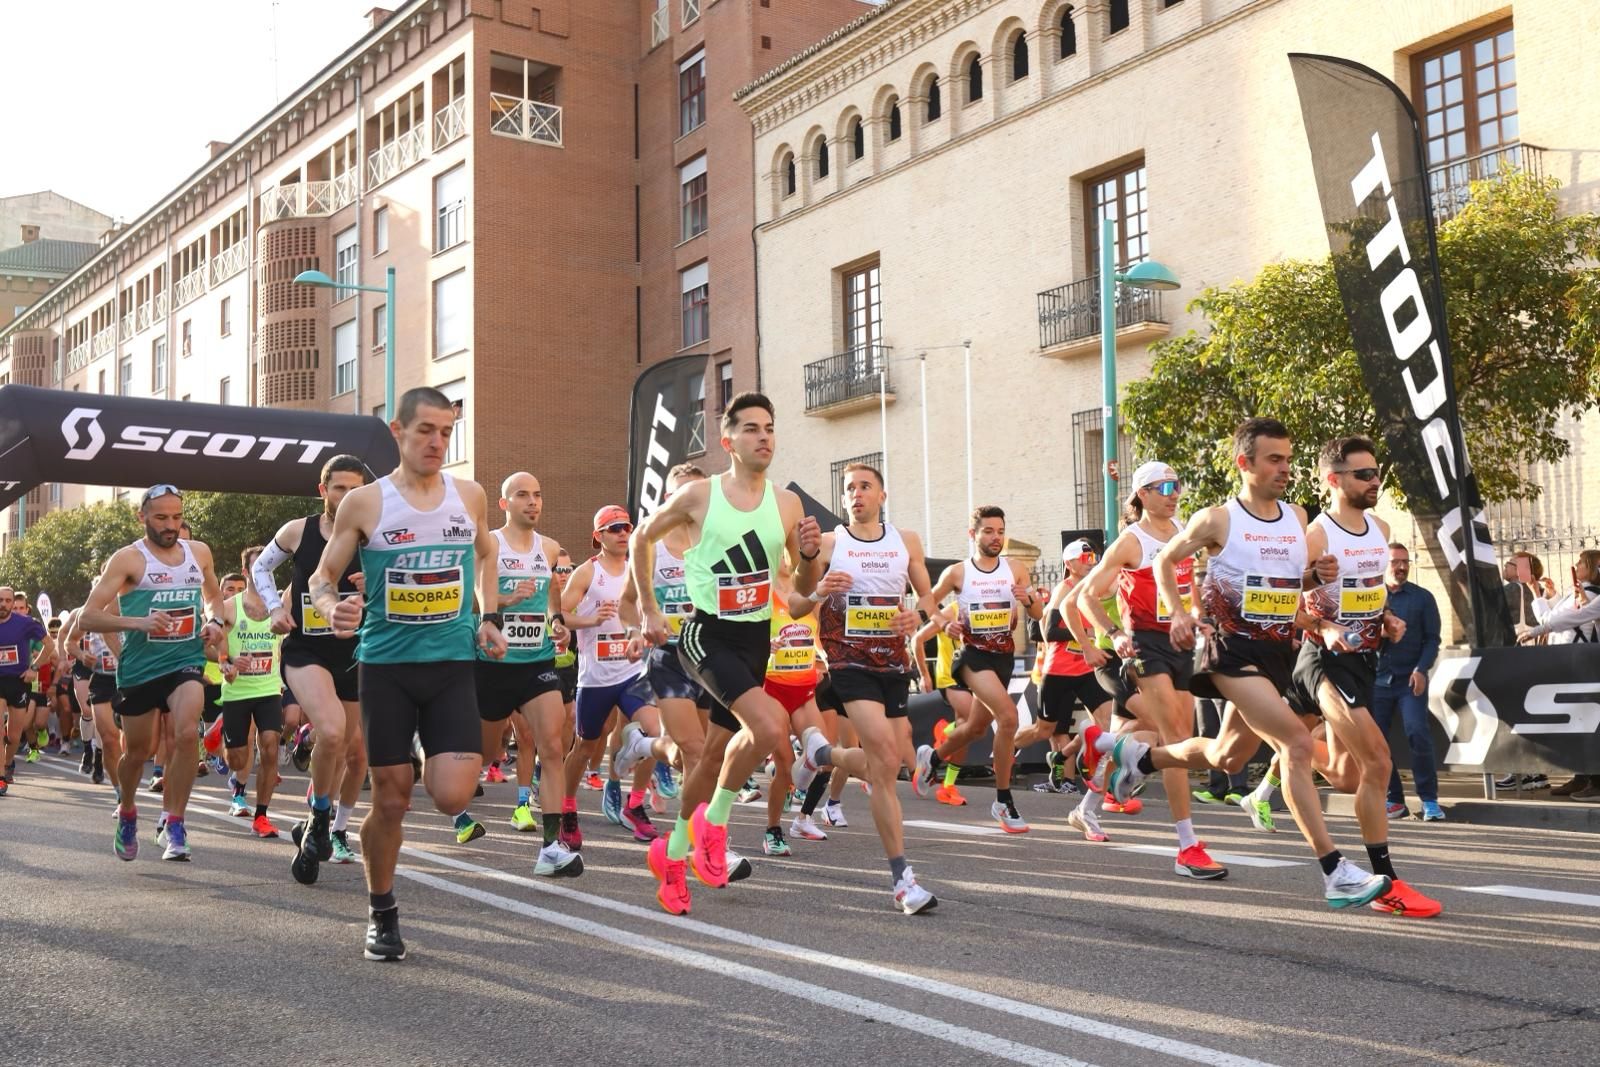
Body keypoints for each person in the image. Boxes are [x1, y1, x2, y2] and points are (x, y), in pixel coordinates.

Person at [1097, 418, 1392, 910]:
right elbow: (1166, 562)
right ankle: (1334, 871)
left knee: (1227, 757)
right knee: (1297, 743)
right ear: (1244, 463)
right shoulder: (1218, 520)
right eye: (1274, 459)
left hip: (1277, 651)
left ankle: (1140, 758)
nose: (1285, 469)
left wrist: (1316, 577)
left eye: (1288, 459)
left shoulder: (1298, 517)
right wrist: (1180, 614)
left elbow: (1284, 587)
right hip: (1230, 650)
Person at [308, 386, 505, 961]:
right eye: (426, 430)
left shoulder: (470, 497)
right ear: (398, 432)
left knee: (450, 795)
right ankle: (382, 910)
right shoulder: (366, 504)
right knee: (391, 801)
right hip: (387, 668)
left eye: (446, 432)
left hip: (450, 665)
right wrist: (329, 608)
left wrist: (487, 615)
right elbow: (323, 577)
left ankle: (425, 745)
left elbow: (486, 554)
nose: (438, 442)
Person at [630, 391, 823, 916]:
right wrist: (648, 608)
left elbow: (799, 590)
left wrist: (808, 557)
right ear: (729, 440)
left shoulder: (786, 503)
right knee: (768, 727)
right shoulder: (699, 497)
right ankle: (714, 825)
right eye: (752, 428)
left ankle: (670, 856)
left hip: (755, 637)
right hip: (706, 634)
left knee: (717, 751)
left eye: (770, 427)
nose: (764, 437)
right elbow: (639, 539)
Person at [1292, 438, 1440, 917]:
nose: (1375, 480)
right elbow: (1274, 599)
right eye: (1363, 474)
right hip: (1323, 659)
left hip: (1366, 659)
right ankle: (1388, 882)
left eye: (1377, 472)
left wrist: (1388, 618)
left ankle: (1291, 747)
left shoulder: (1380, 527)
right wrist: (1324, 625)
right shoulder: (1316, 536)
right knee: (1379, 762)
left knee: (1348, 775)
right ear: (1334, 480)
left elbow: (1371, 591)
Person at [790, 460, 939, 913]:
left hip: (892, 663)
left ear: (882, 495)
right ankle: (902, 880)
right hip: (847, 661)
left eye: (865, 486)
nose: (856, 493)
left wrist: (921, 617)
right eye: (849, 488)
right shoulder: (831, 545)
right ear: (843, 500)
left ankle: (822, 755)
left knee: (887, 764)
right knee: (883, 754)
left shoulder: (905, 540)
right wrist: (815, 578)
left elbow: (927, 599)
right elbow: (797, 603)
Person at [1077, 462, 1227, 880]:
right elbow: (1086, 597)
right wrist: (1113, 633)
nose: (1173, 492)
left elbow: (1186, 587)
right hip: (1145, 643)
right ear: (1142, 494)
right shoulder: (1131, 542)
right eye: (1163, 486)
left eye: (1177, 485)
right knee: (1178, 735)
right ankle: (1186, 845)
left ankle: (1116, 749)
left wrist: (1196, 613)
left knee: (1168, 737)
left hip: (1179, 641)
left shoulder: (1182, 531)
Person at [79, 485, 227, 861]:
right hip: (141, 668)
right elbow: (88, 616)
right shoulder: (128, 559)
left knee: (184, 734)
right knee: (138, 752)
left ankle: (174, 822)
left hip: (186, 660)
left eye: (176, 517)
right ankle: (128, 810)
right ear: (141, 516)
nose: (170, 525)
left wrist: (215, 621)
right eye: (161, 518)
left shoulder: (200, 552)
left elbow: (214, 596)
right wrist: (138, 622)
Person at [253, 454, 373, 876]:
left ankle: (319, 823)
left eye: (354, 489)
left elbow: (403, 585)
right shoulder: (298, 531)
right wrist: (273, 608)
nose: (346, 496)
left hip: (355, 655)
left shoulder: (374, 536)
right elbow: (260, 566)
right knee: (333, 729)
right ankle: (321, 822)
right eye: (338, 488)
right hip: (306, 651)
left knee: (350, 750)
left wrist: (373, 583)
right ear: (323, 491)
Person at [469, 471, 582, 875]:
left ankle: (551, 848)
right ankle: (455, 799)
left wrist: (557, 621)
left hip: (536, 664)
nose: (532, 502)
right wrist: (503, 599)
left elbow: (552, 592)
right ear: (504, 504)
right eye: (522, 495)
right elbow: (470, 596)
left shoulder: (549, 548)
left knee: (552, 747)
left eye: (537, 495)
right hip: (492, 666)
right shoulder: (489, 545)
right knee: (485, 754)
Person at [915, 506, 1046, 833]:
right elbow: (926, 602)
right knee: (1009, 718)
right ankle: (1003, 800)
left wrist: (1027, 599)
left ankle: (932, 759)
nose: (996, 538)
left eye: (1000, 531)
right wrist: (944, 624)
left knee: (974, 728)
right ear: (973, 534)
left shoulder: (1015, 569)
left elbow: (1039, 613)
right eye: (988, 531)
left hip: (1003, 658)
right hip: (973, 658)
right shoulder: (958, 573)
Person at [561, 505, 672, 848]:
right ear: (599, 537)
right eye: (614, 529)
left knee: (656, 732)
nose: (623, 533)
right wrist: (590, 621)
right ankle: (566, 810)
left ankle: (635, 805)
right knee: (584, 748)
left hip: (632, 672)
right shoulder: (586, 573)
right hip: (595, 677)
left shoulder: (640, 569)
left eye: (626, 527)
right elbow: (560, 615)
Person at [211, 548, 285, 839]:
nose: (264, 571)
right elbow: (219, 651)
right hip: (237, 691)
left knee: (269, 746)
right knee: (239, 761)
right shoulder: (230, 607)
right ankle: (219, 735)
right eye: (257, 567)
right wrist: (227, 664)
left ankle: (262, 816)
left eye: (269, 566)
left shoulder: (279, 604)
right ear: (246, 573)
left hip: (268, 689)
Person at [1370, 542, 1445, 820]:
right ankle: (1394, 800)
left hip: (1409, 681)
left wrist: (1421, 669)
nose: (1401, 567)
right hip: (1376, 682)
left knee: (1418, 733)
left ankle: (1429, 801)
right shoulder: (1370, 596)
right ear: (1383, 565)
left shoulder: (1423, 598)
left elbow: (1432, 640)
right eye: (1394, 562)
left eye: (1405, 562)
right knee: (1376, 743)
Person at [1519, 548, 1600, 801]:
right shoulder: (1581, 595)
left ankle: (1594, 782)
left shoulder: (1590, 595)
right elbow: (1560, 617)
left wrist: (1535, 630)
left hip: (1583, 665)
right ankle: (1583, 778)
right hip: (1575, 665)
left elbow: (1564, 619)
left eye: (1580, 563)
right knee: (1578, 723)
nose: (1576, 566)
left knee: (1588, 724)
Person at [0, 587, 49, 796]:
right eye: (0, 600)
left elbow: (50, 647)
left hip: (19, 682)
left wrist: (34, 668)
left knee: (14, 734)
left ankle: (8, 763)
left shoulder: (26, 623)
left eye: (7, 601)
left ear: (13, 603)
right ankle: (1, 776)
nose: (3, 604)